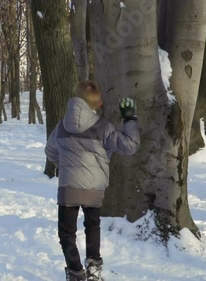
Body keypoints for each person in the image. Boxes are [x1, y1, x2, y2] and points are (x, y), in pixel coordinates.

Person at [45, 81, 140, 281]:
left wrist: (63, 166)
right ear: (96, 104)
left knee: (66, 232)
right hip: (94, 187)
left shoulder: (62, 125)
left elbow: (51, 150)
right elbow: (129, 146)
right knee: (92, 225)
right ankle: (94, 267)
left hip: (68, 187)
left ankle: (75, 272)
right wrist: (129, 118)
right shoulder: (103, 127)